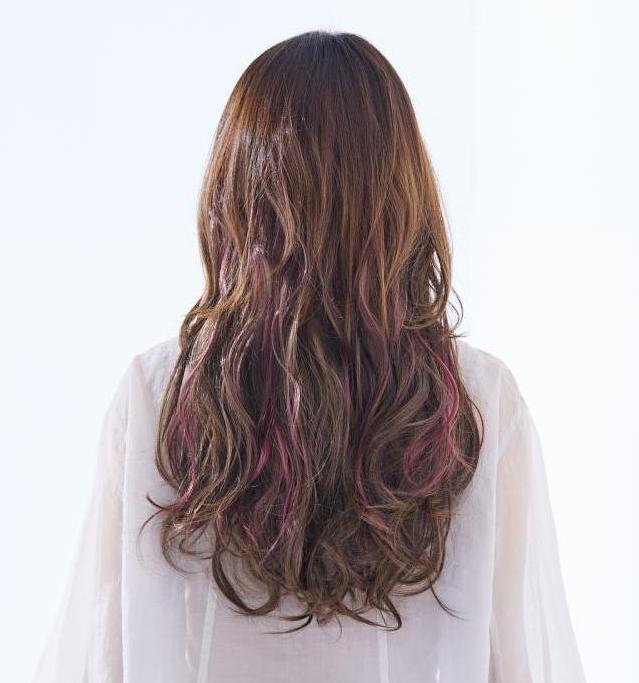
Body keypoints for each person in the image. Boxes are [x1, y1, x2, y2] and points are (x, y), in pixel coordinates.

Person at [31, 30, 586, 683]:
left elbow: (105, 654)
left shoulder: (159, 393)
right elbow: (514, 662)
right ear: (400, 192)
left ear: (236, 192)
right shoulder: (478, 400)